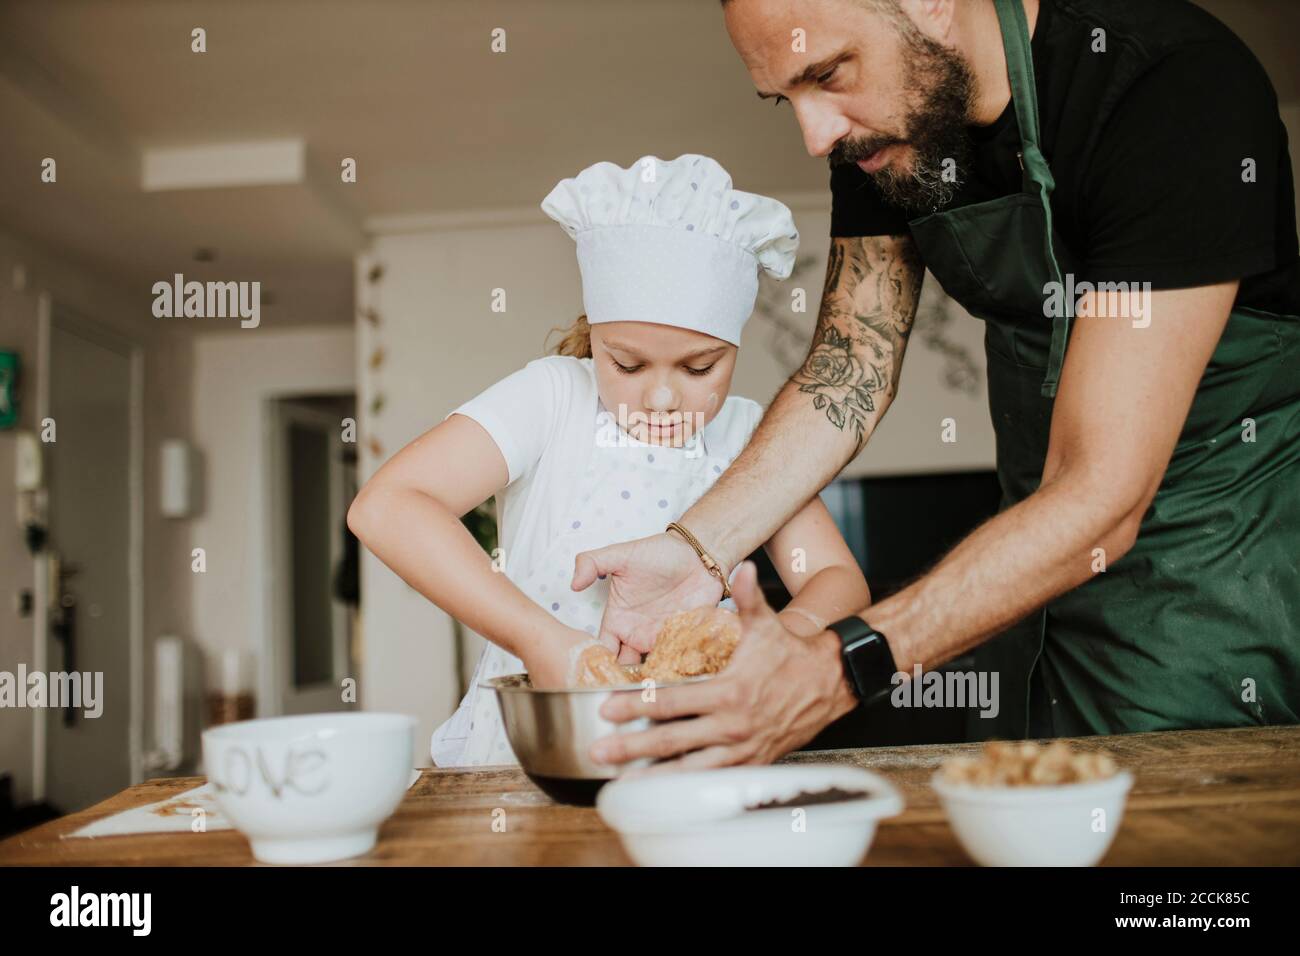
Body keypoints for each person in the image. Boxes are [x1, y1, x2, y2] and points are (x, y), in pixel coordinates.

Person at [578, 0, 1300, 772]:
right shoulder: (883, 134)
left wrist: (837, 670)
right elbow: (849, 366)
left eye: (827, 74)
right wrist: (695, 551)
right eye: (787, 96)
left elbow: (1102, 491)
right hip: (1021, 585)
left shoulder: (1167, 88)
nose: (816, 134)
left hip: (1212, 598)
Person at [347, 153, 871, 767]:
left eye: (701, 367)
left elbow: (840, 582)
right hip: (535, 744)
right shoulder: (553, 398)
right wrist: (539, 639)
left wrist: (768, 640)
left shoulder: (750, 437)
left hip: (696, 743)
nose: (662, 397)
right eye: (626, 364)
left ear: (733, 348)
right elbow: (387, 507)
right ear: (593, 339)